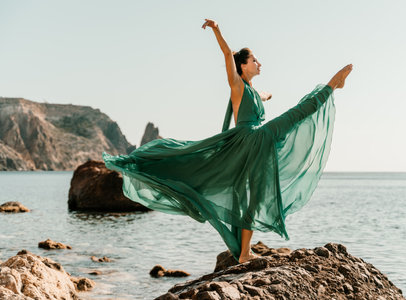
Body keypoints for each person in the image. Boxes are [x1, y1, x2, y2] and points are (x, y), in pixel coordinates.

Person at [103, 18, 352, 264]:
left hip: (256, 145)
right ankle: (331, 85)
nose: (259, 63)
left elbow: (264, 94)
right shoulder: (237, 85)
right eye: (254, 60)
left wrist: (267, 94)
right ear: (242, 66)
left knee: (254, 200)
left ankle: (244, 253)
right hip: (252, 138)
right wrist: (217, 30)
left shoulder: (252, 91)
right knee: (295, 115)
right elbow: (226, 53)